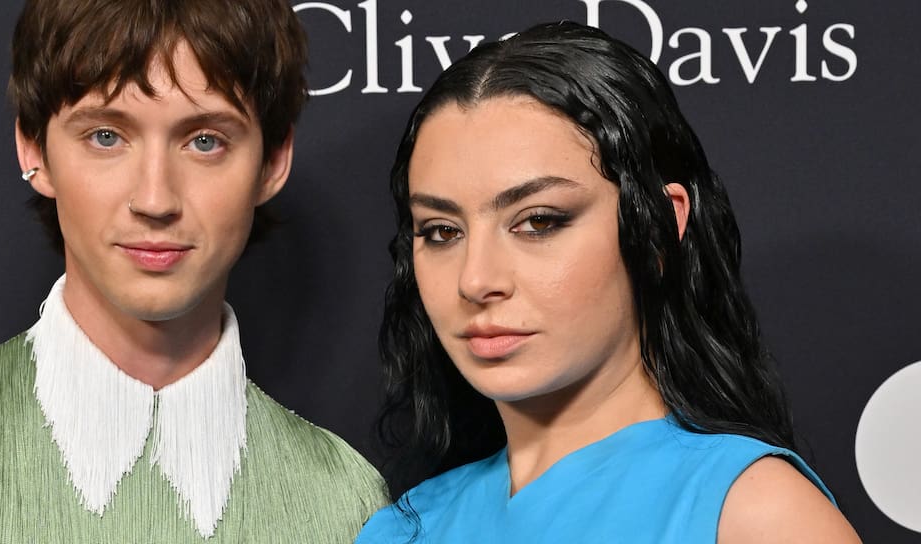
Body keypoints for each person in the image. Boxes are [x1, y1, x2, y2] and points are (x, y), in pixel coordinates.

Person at [0, 1, 387, 542]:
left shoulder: (345, 505)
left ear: (273, 162)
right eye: (106, 136)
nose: (155, 199)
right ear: (34, 150)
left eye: (204, 141)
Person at [356, 22, 860, 543]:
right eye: (442, 231)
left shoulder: (755, 515)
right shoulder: (402, 528)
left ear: (658, 228)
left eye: (539, 221)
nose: (476, 280)